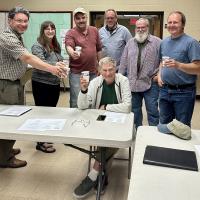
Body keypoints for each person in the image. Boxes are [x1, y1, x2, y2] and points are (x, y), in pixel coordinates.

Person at [0, 6, 65, 168]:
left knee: (13, 118)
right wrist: (53, 68)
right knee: (8, 121)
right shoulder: (6, 37)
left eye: (25, 21)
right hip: (7, 84)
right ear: (10, 21)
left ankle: (6, 150)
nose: (23, 24)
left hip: (16, 83)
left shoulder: (17, 36)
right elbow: (28, 57)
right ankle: (4, 158)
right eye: (19, 20)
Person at [73, 57, 131, 199]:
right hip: (100, 122)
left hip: (120, 122)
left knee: (110, 140)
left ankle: (93, 175)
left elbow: (127, 106)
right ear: (99, 71)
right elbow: (82, 106)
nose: (107, 73)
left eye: (110, 69)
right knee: (104, 140)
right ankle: (102, 174)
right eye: (104, 70)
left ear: (115, 69)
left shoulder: (123, 81)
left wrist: (106, 107)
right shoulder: (95, 82)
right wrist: (84, 90)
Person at [158, 11, 200, 126]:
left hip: (184, 92)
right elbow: (162, 62)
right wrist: (160, 75)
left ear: (183, 25)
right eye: (169, 22)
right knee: (165, 125)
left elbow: (198, 68)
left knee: (181, 128)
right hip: (165, 91)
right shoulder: (164, 42)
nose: (172, 25)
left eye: (175, 22)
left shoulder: (191, 43)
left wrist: (178, 65)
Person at [119, 18, 161, 129]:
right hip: (133, 83)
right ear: (135, 28)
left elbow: (164, 61)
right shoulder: (130, 43)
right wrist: (119, 78)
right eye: (138, 27)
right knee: (135, 111)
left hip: (150, 83)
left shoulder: (157, 42)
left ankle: (153, 133)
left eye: (143, 27)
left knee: (152, 110)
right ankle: (138, 132)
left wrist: (160, 74)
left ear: (148, 27)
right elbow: (123, 61)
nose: (140, 29)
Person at [31, 21, 65, 153]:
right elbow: (40, 64)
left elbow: (57, 61)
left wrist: (62, 66)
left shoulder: (55, 45)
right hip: (41, 84)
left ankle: (45, 136)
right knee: (42, 112)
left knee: (50, 111)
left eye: (52, 28)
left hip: (54, 83)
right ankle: (40, 143)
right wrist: (57, 66)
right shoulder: (37, 45)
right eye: (47, 29)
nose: (50, 31)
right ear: (42, 31)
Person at [65, 7, 102, 108]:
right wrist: (72, 53)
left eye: (83, 17)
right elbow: (69, 46)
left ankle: (89, 121)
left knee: (92, 98)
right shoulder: (70, 33)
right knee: (76, 99)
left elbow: (98, 49)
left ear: (86, 18)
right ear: (74, 20)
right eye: (78, 18)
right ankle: (74, 122)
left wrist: (100, 65)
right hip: (77, 73)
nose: (81, 20)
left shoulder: (94, 30)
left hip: (93, 72)